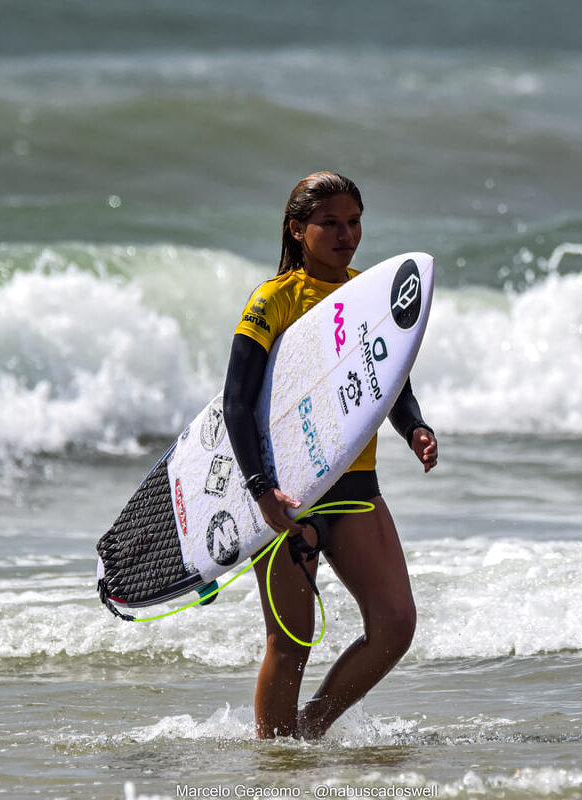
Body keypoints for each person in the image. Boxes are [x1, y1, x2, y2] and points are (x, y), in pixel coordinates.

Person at [223, 171, 438, 740]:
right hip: (284, 493)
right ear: (298, 230)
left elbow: (385, 383)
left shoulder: (367, 293)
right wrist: (259, 488)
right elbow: (236, 403)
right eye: (330, 223)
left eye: (354, 222)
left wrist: (413, 427)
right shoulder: (273, 300)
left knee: (394, 625)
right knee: (290, 642)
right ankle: (275, 763)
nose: (346, 235)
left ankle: (307, 732)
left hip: (354, 486)